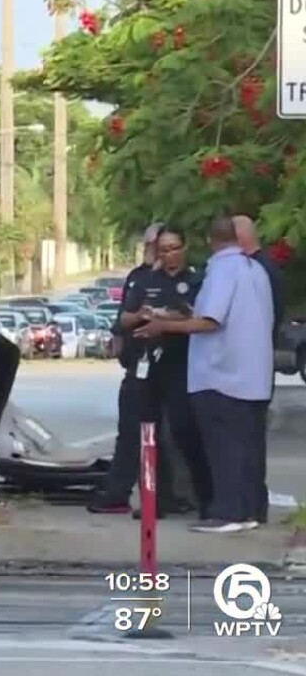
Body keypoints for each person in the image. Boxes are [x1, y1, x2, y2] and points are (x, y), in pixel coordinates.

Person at [134, 216, 274, 533]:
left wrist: (164, 325)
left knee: (223, 449)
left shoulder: (223, 271)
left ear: (211, 240)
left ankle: (228, 513)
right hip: (253, 375)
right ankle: (250, 511)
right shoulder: (256, 270)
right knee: (248, 450)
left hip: (222, 375)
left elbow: (210, 321)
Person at [117, 225, 208, 519]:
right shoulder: (146, 280)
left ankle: (206, 498)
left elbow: (201, 317)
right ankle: (153, 499)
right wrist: (142, 315)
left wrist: (170, 318)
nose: (170, 255)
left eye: (174, 248)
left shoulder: (196, 280)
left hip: (182, 364)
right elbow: (125, 318)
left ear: (185, 248)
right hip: (148, 364)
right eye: (164, 249)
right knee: (148, 432)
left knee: (185, 429)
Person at [87, 223, 165, 514]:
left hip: (166, 369)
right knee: (130, 433)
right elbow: (122, 320)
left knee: (163, 437)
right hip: (137, 368)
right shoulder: (138, 277)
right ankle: (117, 491)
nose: (149, 250)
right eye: (147, 245)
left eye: (153, 245)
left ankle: (164, 496)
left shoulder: (176, 280)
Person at [232, 215, 285, 524]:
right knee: (248, 437)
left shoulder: (259, 271)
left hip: (252, 364)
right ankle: (251, 502)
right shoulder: (262, 268)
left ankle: (250, 503)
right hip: (255, 363)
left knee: (247, 437)